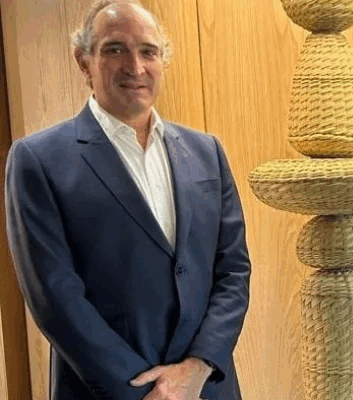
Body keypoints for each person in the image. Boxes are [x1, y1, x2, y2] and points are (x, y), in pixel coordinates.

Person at [4, 1, 250, 399]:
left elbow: (233, 271)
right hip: (108, 392)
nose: (135, 67)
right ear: (83, 60)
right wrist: (146, 391)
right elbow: (55, 297)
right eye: (115, 49)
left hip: (204, 388)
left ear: (162, 61)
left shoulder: (207, 153)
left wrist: (197, 368)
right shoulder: (38, 160)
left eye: (148, 51)